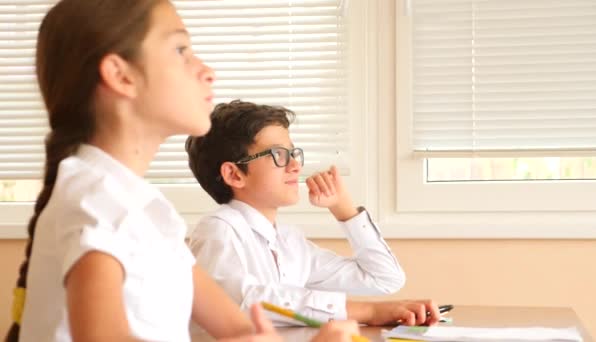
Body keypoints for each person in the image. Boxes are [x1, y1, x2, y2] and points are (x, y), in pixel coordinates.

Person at [5, 1, 360, 341]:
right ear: (120, 75)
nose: (208, 71)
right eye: (180, 51)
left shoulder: (147, 210)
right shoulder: (94, 198)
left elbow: (242, 330)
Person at [186, 100, 441, 327]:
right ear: (234, 174)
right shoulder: (218, 229)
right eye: (278, 154)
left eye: (293, 153)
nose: (296, 165)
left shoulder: (289, 242)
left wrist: (344, 210)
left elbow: (384, 278)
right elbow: (243, 301)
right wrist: (368, 311)